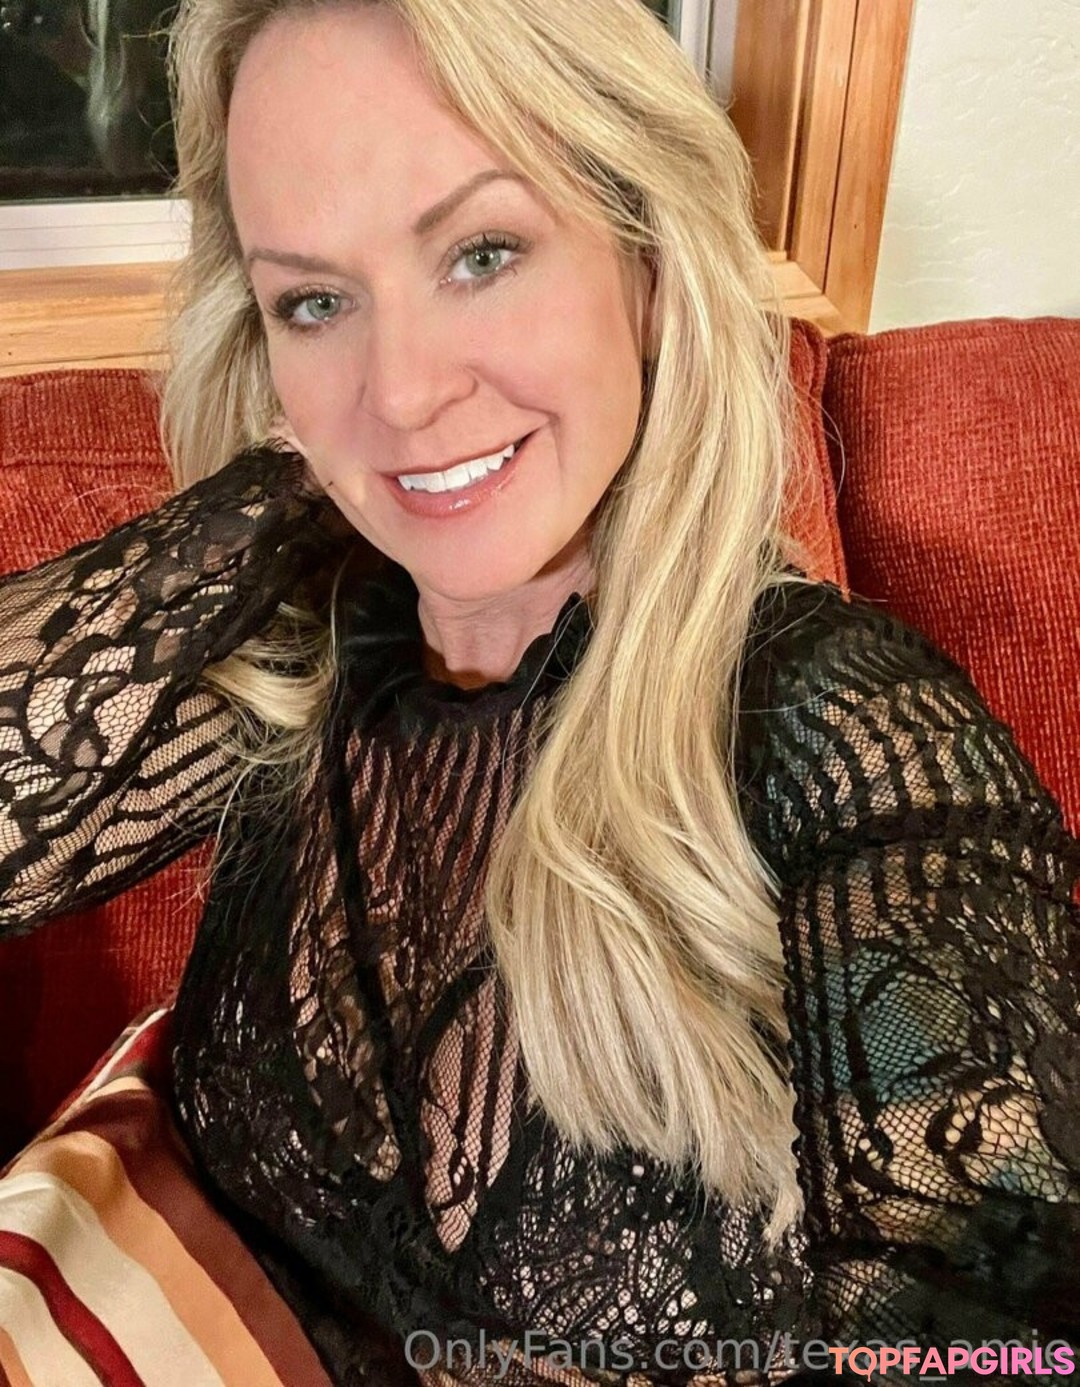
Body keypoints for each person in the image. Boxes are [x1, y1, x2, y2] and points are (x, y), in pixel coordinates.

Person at [1, 0, 1078, 1382]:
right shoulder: (311, 662)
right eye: (316, 300)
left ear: (648, 262)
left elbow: (996, 1336)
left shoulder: (842, 735)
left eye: (482, 254)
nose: (404, 387)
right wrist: (324, 466)